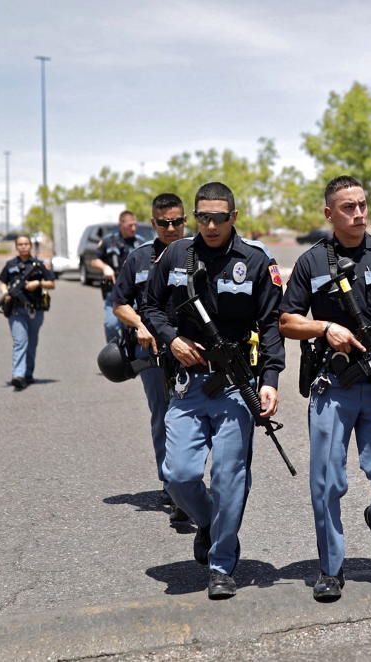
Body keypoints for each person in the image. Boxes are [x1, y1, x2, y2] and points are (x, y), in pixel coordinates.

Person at [279, 175, 371, 601]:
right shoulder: (311, 263)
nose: (359, 213)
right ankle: (330, 567)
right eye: (348, 207)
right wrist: (325, 328)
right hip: (333, 384)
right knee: (326, 481)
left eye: (362, 204)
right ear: (329, 213)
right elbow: (287, 321)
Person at [141, 181, 285, 600]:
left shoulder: (255, 260)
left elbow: (271, 326)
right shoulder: (175, 255)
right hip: (188, 383)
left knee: (228, 477)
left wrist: (271, 381)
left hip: (237, 385)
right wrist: (172, 339)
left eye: (218, 217)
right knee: (178, 476)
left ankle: (222, 563)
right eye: (202, 216)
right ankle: (207, 522)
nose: (209, 224)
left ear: (234, 218)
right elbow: (149, 305)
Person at [111, 193, 188, 523]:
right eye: (163, 223)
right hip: (153, 351)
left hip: (191, 350)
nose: (171, 228)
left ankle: (188, 478)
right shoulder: (139, 258)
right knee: (164, 414)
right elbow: (119, 303)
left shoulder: (199, 254)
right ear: (153, 223)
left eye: (177, 221)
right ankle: (172, 484)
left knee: (194, 416)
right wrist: (140, 324)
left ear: (186, 220)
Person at [0, 234, 57, 391]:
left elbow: (51, 283)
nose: (23, 247)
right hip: (16, 311)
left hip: (35, 310)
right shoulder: (10, 264)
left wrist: (38, 283)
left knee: (31, 343)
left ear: (30, 246)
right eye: (20, 244)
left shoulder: (39, 264)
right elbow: (3, 282)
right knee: (20, 342)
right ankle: (18, 375)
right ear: (16, 247)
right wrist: (5, 293)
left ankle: (28, 374)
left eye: (26, 244)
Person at [92, 210, 140, 343]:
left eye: (135, 225)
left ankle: (130, 357)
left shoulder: (140, 243)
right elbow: (94, 260)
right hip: (113, 291)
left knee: (132, 326)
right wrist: (105, 267)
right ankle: (114, 357)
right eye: (130, 225)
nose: (133, 228)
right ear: (121, 224)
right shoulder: (108, 241)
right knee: (111, 325)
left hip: (134, 292)